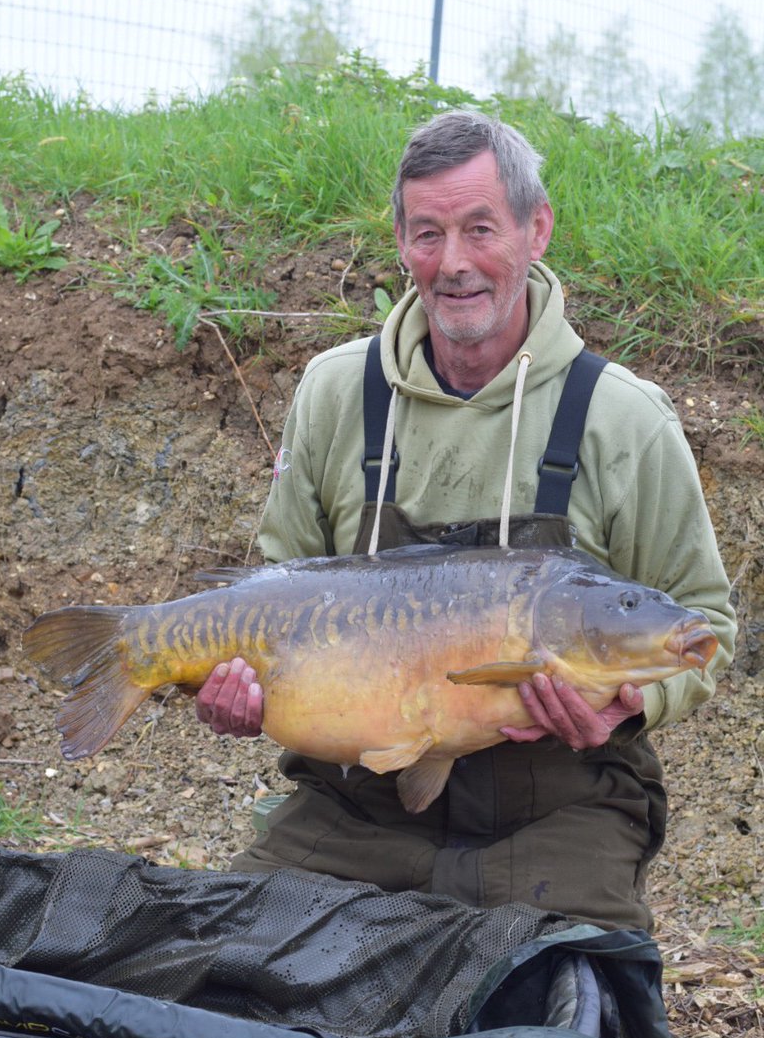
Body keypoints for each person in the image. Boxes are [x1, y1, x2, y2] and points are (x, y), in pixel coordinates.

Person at [195, 109, 736, 932]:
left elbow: (709, 623)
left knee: (562, 1018)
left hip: (557, 815)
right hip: (355, 812)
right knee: (232, 983)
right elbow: (278, 586)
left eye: (481, 228)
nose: (453, 264)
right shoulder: (335, 393)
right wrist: (236, 687)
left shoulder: (625, 418)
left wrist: (627, 707)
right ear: (403, 243)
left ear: (536, 229)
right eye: (427, 234)